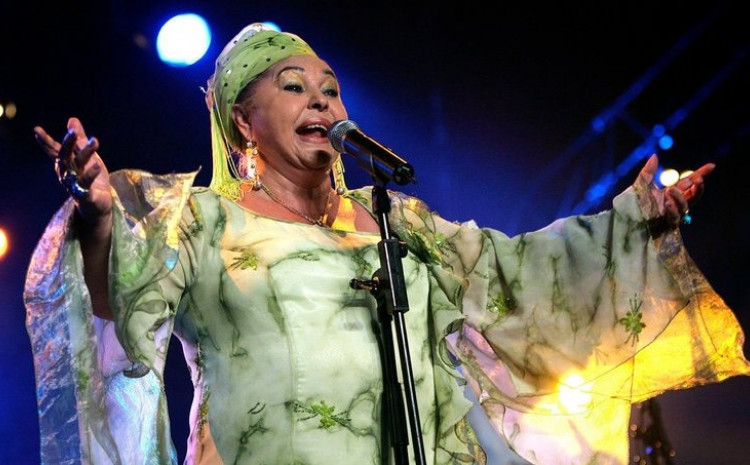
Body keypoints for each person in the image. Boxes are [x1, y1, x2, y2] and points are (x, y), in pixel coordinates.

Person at [24, 22, 750, 465]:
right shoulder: (202, 221)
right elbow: (120, 302)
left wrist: (636, 220)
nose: (321, 99)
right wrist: (98, 219)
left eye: (331, 88)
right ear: (244, 121)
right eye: (293, 87)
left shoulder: (396, 220)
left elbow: (519, 274)